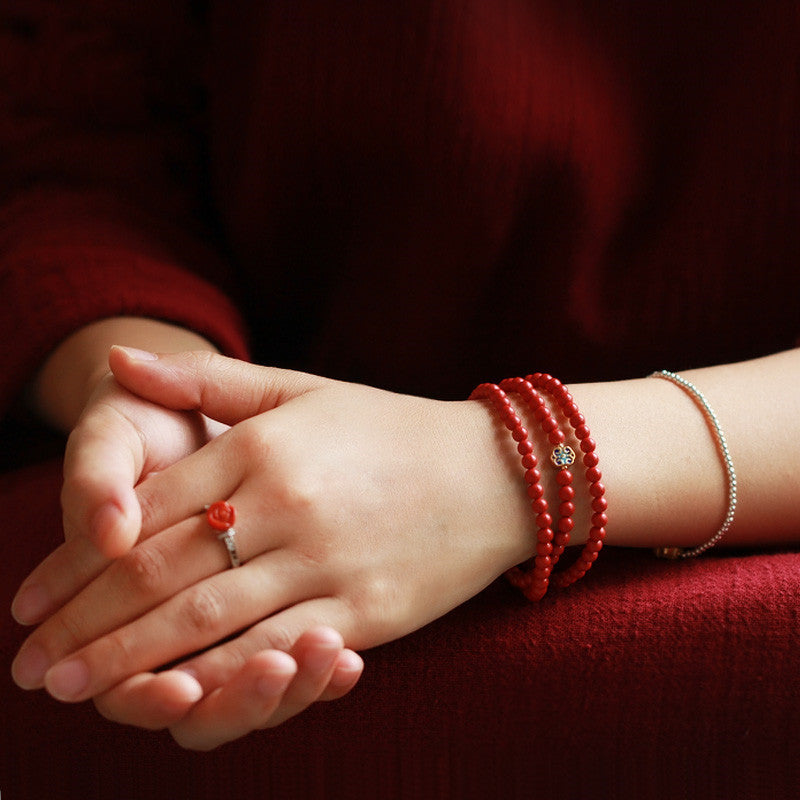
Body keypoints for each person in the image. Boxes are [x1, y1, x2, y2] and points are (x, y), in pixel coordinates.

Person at [2, 1, 799, 796]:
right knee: (87, 598)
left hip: (755, 548)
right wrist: (178, 395)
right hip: (294, 487)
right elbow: (75, 151)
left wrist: (499, 469)